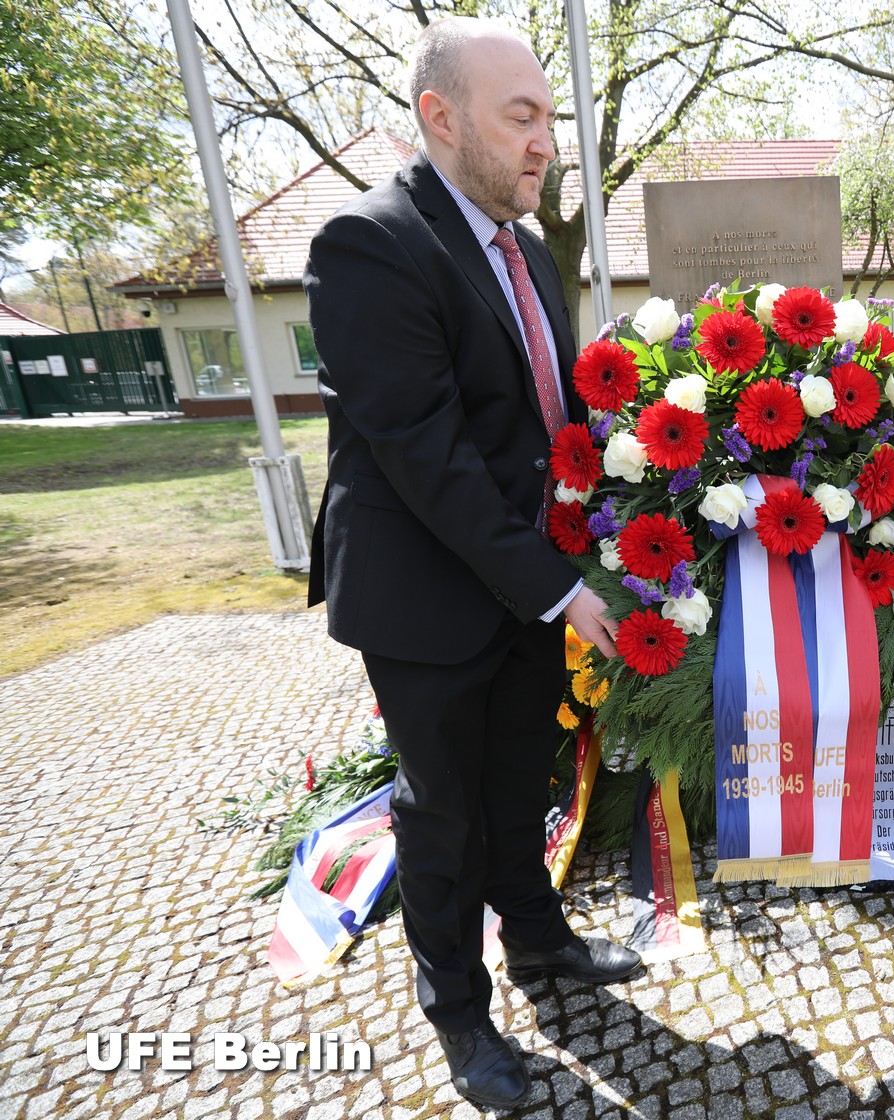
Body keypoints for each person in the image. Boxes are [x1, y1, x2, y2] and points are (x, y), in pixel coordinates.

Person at [303, 18, 639, 1110]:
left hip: (524, 581)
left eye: (549, 118)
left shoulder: (528, 248)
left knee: (519, 779)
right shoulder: (369, 243)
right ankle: (456, 1010)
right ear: (440, 118)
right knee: (442, 811)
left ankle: (537, 937)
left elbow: (542, 423)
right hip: (428, 597)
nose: (546, 142)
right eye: (522, 116)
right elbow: (430, 460)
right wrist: (560, 588)